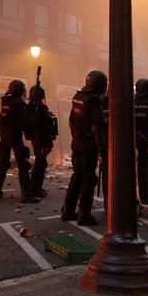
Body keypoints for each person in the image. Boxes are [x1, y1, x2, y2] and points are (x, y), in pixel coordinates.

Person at [63, 70, 108, 225]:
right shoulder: (94, 101)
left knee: (77, 176)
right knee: (88, 179)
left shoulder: (78, 97)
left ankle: (67, 211)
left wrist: (77, 136)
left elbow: (70, 121)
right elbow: (96, 128)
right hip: (88, 145)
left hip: (77, 142)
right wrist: (102, 150)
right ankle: (84, 215)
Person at [0, 79, 36, 203]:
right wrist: (34, 116)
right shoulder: (18, 103)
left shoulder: (5, 100)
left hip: (3, 136)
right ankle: (26, 195)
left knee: (3, 163)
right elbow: (24, 124)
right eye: (23, 90)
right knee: (23, 164)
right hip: (14, 136)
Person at [27, 83, 57, 199]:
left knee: (41, 163)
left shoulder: (32, 107)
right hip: (41, 139)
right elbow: (48, 123)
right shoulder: (39, 108)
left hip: (37, 138)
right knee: (40, 164)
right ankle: (34, 189)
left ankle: (37, 187)